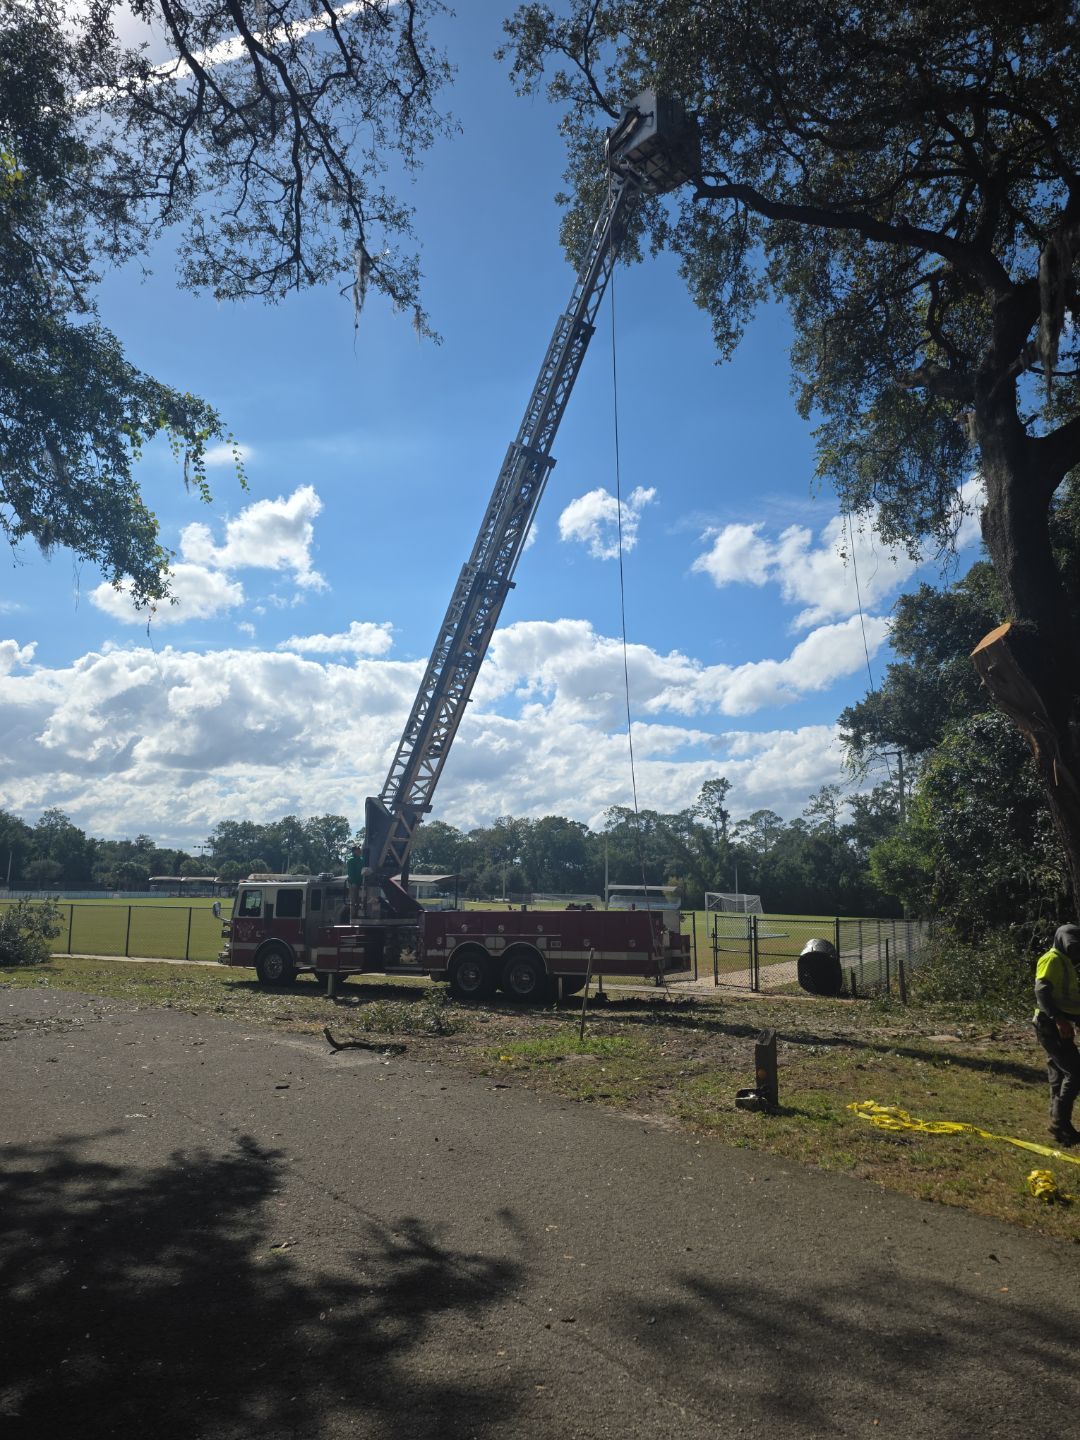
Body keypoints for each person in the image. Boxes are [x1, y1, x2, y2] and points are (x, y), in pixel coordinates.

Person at [1033, 924, 1080, 1146]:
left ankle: (1058, 1124)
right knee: (1075, 1072)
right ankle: (1061, 1124)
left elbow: (1067, 999)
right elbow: (1041, 990)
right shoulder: (1052, 959)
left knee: (1059, 1074)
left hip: (1058, 1024)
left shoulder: (1065, 962)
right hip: (1050, 1025)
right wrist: (1060, 1020)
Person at [346, 844, 364, 921]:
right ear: (353, 851)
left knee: (361, 900)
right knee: (353, 901)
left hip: (361, 883)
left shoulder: (362, 859)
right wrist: (353, 883)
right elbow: (350, 873)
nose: (359, 850)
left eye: (359, 849)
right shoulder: (351, 860)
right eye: (357, 849)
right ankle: (353, 917)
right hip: (353, 883)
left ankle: (360, 915)